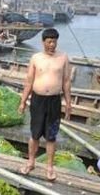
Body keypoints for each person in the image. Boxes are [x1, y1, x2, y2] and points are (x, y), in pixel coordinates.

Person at [18, 28, 71, 181]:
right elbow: (29, 80)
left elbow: (66, 82)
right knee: (34, 134)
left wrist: (68, 103)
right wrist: (23, 101)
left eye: (54, 41)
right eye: (49, 42)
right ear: (43, 42)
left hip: (54, 101)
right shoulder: (36, 58)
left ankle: (49, 167)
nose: (52, 45)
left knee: (51, 136)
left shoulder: (63, 57)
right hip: (37, 100)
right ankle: (31, 162)